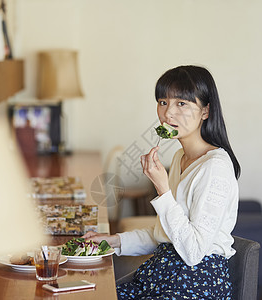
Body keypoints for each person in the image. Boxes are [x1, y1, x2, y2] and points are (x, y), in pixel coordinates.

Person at [83, 65, 241, 299]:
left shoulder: (214, 167)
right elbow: (164, 234)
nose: (168, 114)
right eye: (163, 102)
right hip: (163, 272)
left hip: (197, 281)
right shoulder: (179, 158)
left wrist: (162, 189)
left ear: (205, 111)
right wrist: (113, 240)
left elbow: (193, 252)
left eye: (182, 104)